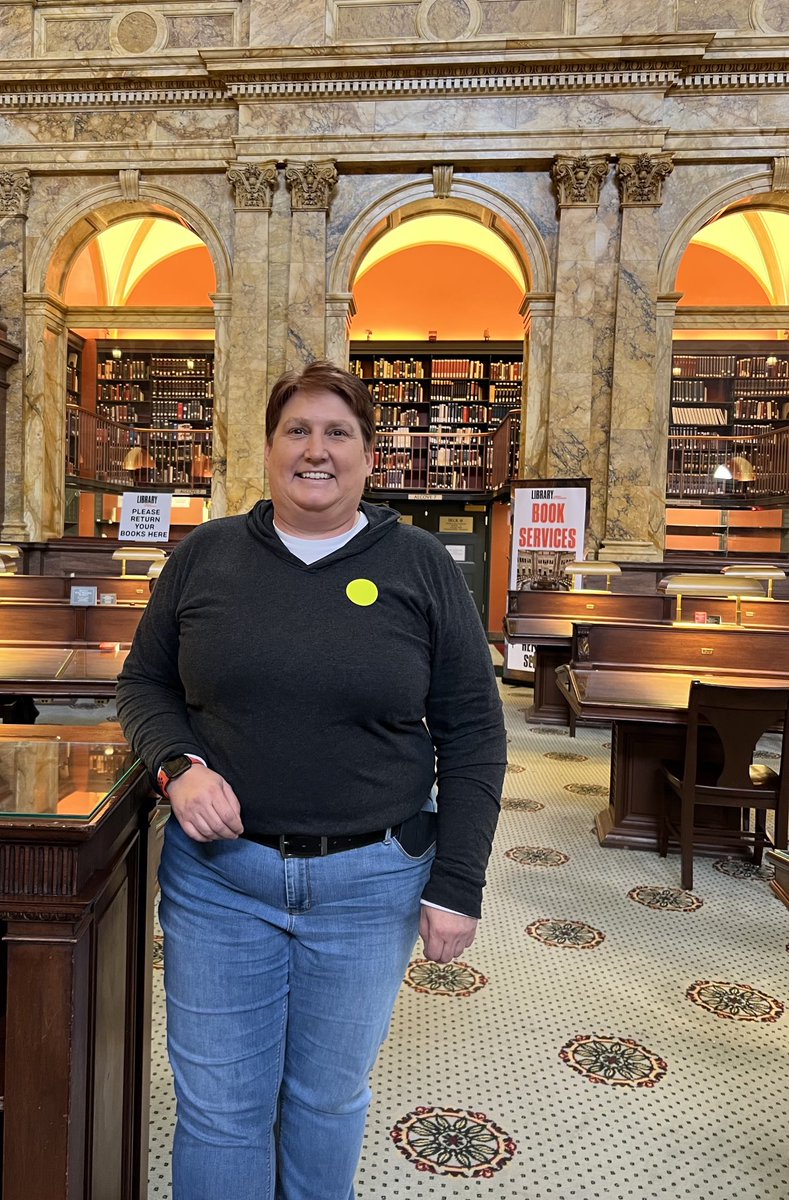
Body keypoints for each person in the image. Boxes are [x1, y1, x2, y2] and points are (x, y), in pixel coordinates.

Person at [116, 359, 507, 1200]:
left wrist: (458, 882)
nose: (315, 450)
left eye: (337, 432)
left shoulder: (420, 565)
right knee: (220, 1109)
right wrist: (177, 766)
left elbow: (474, 731)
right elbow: (144, 683)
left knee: (326, 1101)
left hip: (371, 884)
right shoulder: (206, 554)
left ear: (369, 455)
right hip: (220, 882)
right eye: (296, 430)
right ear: (268, 449)